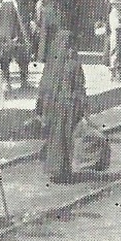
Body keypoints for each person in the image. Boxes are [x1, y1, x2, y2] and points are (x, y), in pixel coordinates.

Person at [36, 33, 89, 184]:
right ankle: (64, 170)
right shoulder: (74, 64)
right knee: (66, 138)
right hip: (68, 106)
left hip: (52, 106)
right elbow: (80, 87)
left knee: (54, 137)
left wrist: (40, 108)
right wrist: (84, 106)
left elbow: (43, 87)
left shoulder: (51, 65)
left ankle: (54, 169)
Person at [0, 0, 33, 90]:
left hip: (3, 35)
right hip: (15, 34)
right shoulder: (15, 3)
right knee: (23, 59)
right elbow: (21, 21)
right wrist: (26, 37)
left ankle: (6, 82)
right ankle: (24, 82)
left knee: (5, 59)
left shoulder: (1, 3)